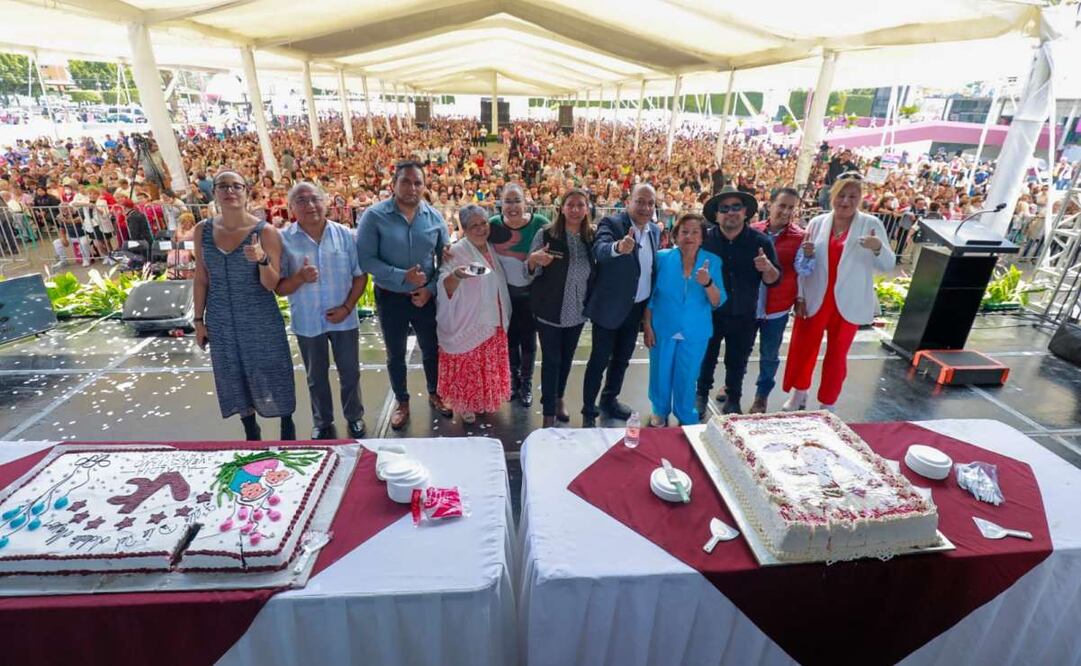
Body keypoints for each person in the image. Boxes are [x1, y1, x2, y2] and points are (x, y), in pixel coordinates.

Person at [192, 169, 296, 440]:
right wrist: (198, 321)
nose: (229, 192)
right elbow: (201, 278)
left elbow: (272, 284)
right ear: (213, 193)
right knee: (232, 371)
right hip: (221, 319)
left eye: (236, 186)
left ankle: (287, 425)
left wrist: (261, 260)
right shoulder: (202, 231)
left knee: (273, 368)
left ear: (246, 192)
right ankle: (250, 428)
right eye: (222, 187)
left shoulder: (265, 232)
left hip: (260, 317)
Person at [782, 173, 895, 411]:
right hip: (815, 298)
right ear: (832, 196)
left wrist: (877, 248)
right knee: (805, 349)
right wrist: (800, 295)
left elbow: (888, 264)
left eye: (852, 196)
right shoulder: (817, 223)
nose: (845, 201)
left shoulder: (872, 224)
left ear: (860, 199)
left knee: (837, 355)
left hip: (848, 302)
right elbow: (804, 263)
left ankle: (828, 403)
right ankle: (799, 394)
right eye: (841, 195)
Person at [356, 160, 452, 430]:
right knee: (395, 353)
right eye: (406, 181)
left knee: (432, 350)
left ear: (424, 186)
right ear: (393, 184)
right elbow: (366, 259)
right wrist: (401, 275)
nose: (412, 187)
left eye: (418, 182)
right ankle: (402, 401)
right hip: (390, 296)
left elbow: (445, 260)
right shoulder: (374, 216)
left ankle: (435, 393)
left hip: (424, 297)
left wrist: (430, 289)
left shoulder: (434, 218)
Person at [276, 181, 368, 440]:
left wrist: (348, 307)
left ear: (325, 202)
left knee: (350, 372)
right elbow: (279, 288)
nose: (310, 205)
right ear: (291, 207)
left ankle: (354, 417)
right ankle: (322, 421)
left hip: (344, 319)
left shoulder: (346, 235)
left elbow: (360, 277)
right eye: (302, 201)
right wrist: (300, 278)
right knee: (316, 377)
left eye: (315, 199)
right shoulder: (284, 240)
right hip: (308, 320)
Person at [696, 185, 781, 415]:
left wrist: (767, 268)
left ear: (745, 212)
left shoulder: (760, 241)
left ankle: (734, 398)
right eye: (724, 208)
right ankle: (701, 395)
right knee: (706, 358)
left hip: (744, 313)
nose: (730, 212)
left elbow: (774, 279)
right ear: (716, 214)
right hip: (710, 312)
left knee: (738, 361)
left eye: (736, 207)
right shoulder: (704, 240)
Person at [580, 183, 661, 427]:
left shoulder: (655, 231)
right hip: (610, 307)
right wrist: (618, 247)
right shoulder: (613, 224)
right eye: (640, 201)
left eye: (650, 203)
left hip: (635, 308)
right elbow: (600, 248)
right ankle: (588, 407)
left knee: (622, 360)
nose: (645, 207)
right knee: (599, 359)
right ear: (629, 202)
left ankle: (609, 400)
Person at [643, 213, 725, 426]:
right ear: (675, 236)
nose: (689, 236)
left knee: (688, 375)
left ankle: (684, 412)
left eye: (695, 232)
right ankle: (659, 410)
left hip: (695, 331)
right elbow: (650, 296)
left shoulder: (713, 261)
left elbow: (717, 301)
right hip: (662, 327)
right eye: (684, 232)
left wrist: (707, 283)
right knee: (660, 371)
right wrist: (647, 326)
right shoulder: (661, 258)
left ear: (702, 237)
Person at [435, 205, 512, 425]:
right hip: (469, 320)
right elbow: (444, 284)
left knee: (486, 364)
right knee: (469, 364)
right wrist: (458, 275)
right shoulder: (457, 250)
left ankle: (483, 401)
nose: (480, 229)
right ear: (464, 229)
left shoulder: (491, 246)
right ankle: (466, 404)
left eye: (483, 223)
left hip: (493, 316)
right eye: (473, 226)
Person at [525, 188, 595, 427]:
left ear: (587, 209)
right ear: (562, 208)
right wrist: (534, 261)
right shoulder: (546, 235)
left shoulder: (591, 238)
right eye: (570, 205)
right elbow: (529, 270)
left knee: (566, 359)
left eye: (580, 205)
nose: (575, 210)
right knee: (551, 360)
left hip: (577, 311)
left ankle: (558, 398)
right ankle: (547, 413)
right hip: (549, 310)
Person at [748, 188, 814, 413]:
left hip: (776, 309)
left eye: (790, 208)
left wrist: (808, 255)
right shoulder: (752, 230)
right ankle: (731, 386)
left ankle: (761, 395)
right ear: (770, 204)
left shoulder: (800, 237)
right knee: (740, 350)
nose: (785, 211)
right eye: (782, 205)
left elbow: (804, 271)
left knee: (769, 356)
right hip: (749, 306)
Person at [489, 182, 547, 407]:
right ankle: (512, 381)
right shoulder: (493, 225)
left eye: (517, 200)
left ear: (526, 202)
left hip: (532, 294)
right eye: (508, 201)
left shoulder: (540, 224)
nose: (513, 206)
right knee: (510, 340)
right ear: (500, 203)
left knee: (529, 341)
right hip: (504, 296)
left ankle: (527, 384)